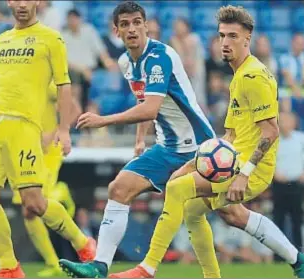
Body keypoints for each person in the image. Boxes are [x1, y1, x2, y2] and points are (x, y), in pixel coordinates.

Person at [107, 5, 304, 278]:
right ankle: (296, 263)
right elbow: (229, 136)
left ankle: (147, 269)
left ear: (247, 39)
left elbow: (271, 131)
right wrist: (196, 163)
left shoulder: (254, 77)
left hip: (249, 168)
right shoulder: (239, 75)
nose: (225, 43)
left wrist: (244, 175)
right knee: (194, 209)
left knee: (179, 191)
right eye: (221, 36)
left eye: (232, 36)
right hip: (233, 159)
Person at [58, 1, 215, 277]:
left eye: (136, 22)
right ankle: (99, 266)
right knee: (119, 188)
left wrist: (103, 120)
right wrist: (140, 140)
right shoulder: (124, 61)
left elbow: (151, 108)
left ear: (146, 25)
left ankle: (297, 260)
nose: (132, 29)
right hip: (167, 147)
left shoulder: (160, 57)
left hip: (199, 148)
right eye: (125, 24)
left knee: (233, 215)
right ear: (116, 31)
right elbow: (144, 102)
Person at [0, 1, 95, 277]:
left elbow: (65, 86)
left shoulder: (51, 38)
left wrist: (63, 130)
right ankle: (9, 267)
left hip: (25, 127)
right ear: (9, 3)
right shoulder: (2, 39)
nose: (22, 4)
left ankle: (83, 243)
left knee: (34, 204)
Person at [10, 82, 90, 278]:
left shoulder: (50, 82)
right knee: (28, 211)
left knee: (34, 204)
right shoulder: (24, 81)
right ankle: (53, 263)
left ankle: (60, 192)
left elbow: (76, 109)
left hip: (48, 151)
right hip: (28, 148)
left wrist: (55, 132)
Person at [273, 112, 304, 250]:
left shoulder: (302, 138)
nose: (284, 124)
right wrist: (274, 173)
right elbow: (265, 159)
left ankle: (299, 252)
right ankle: (278, 254)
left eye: (287, 120)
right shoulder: (273, 139)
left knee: (297, 220)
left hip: (296, 185)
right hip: (279, 184)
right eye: (282, 121)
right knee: (278, 220)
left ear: (294, 123)